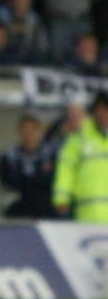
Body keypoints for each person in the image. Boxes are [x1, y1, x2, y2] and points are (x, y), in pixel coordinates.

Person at [53, 91, 108, 222]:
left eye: (105, 110)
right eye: (98, 110)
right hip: (88, 213)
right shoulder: (79, 138)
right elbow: (66, 168)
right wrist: (62, 197)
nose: (102, 114)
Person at [0, 115, 57, 218]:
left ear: (38, 131)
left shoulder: (49, 155)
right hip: (20, 208)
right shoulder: (11, 156)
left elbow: (52, 180)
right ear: (19, 132)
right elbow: (8, 181)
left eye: (32, 130)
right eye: (25, 130)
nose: (28, 134)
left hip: (44, 208)